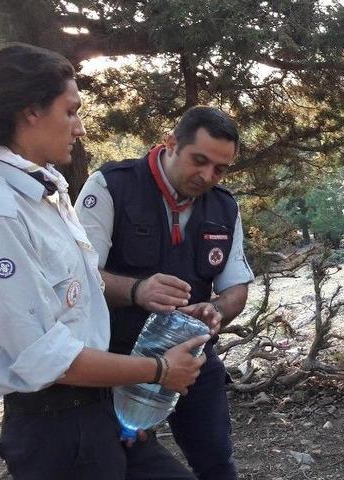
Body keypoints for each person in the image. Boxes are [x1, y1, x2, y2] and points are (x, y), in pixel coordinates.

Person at [0, 42, 207, 480]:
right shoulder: (0, 210)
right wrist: (159, 371)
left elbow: (79, 298)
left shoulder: (43, 190)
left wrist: (157, 308)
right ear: (30, 112)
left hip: (97, 407)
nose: (80, 127)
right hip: (57, 428)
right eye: (70, 112)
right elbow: (46, 357)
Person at [75, 106, 254, 480]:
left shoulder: (224, 206)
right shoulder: (111, 186)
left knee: (218, 460)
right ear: (171, 143)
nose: (207, 176)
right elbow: (78, 279)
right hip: (117, 360)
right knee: (128, 462)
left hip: (193, 359)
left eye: (220, 169)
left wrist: (217, 310)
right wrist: (137, 290)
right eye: (199, 161)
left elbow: (236, 286)